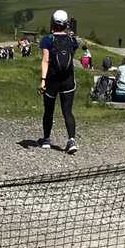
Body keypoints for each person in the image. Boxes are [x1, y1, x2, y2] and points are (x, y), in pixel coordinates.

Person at [39, 9, 79, 153]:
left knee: (48, 110)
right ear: (66, 23)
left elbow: (45, 60)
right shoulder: (72, 40)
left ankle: (46, 139)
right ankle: (71, 140)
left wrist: (43, 80)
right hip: (68, 80)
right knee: (67, 111)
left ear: (53, 22)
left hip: (52, 80)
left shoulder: (47, 40)